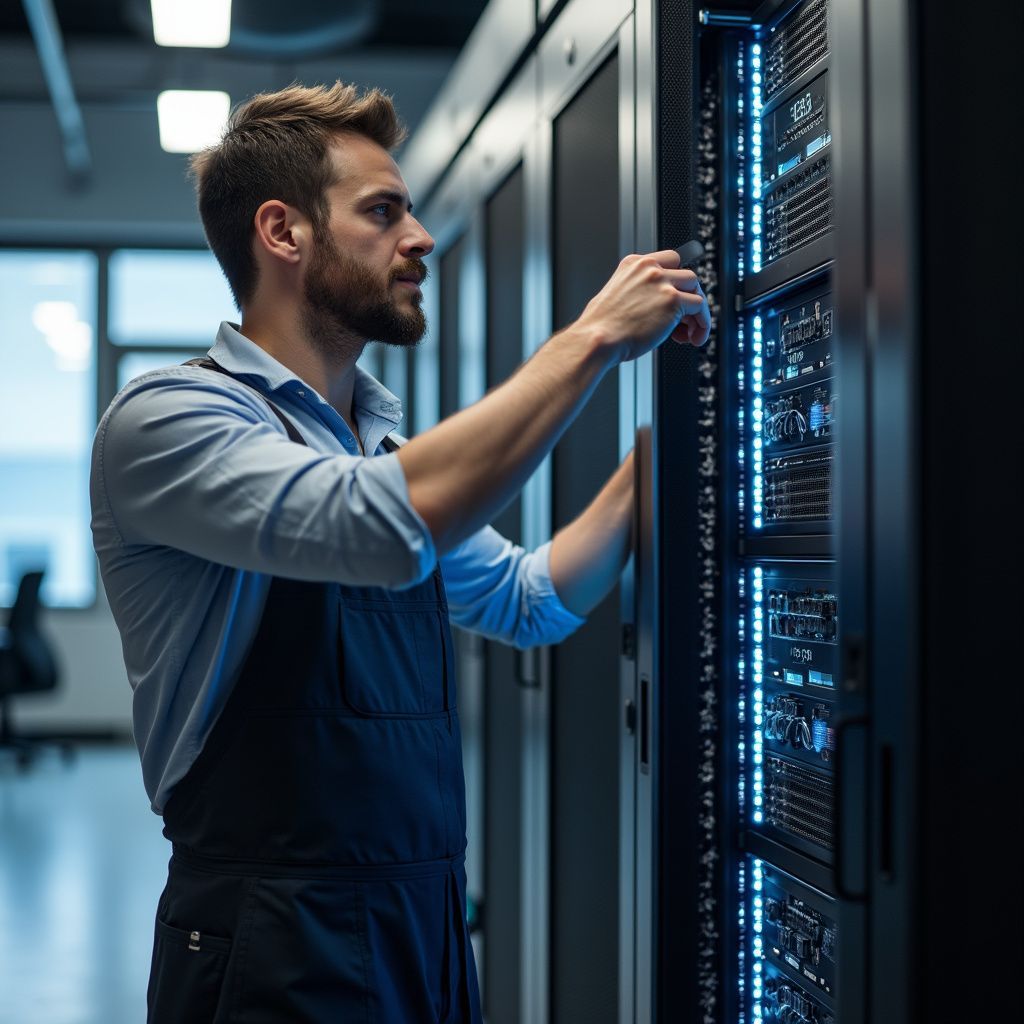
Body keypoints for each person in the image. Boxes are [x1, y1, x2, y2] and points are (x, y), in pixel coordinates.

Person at [90, 82, 709, 1023]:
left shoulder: (372, 443)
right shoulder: (170, 421)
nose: (419, 237)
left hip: (424, 925)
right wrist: (589, 342)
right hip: (273, 939)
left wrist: (654, 461)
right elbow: (374, 527)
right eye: (384, 212)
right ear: (283, 232)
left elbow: (526, 598)